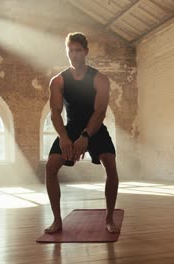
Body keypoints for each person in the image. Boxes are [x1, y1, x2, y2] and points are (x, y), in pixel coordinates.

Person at [44, 32, 120, 234]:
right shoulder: (58, 81)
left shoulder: (100, 79)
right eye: (71, 50)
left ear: (85, 52)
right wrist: (64, 137)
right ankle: (57, 220)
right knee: (51, 167)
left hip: (94, 127)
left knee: (110, 164)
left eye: (78, 50)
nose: (74, 54)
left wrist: (86, 137)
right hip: (70, 128)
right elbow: (55, 112)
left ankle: (110, 217)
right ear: (67, 52)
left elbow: (100, 112)